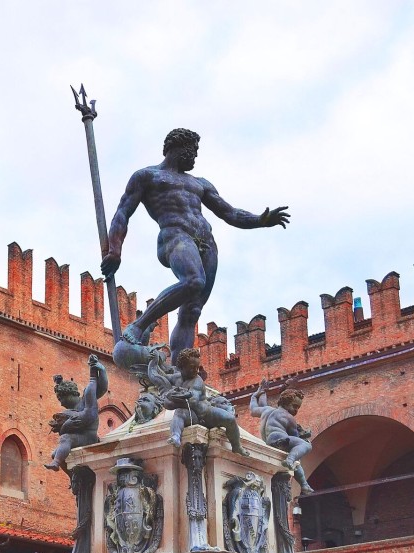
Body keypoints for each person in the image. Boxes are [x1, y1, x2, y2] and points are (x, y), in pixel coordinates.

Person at [101, 128, 290, 363]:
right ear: (178, 148)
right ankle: (140, 326)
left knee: (192, 311)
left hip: (207, 244)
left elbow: (229, 213)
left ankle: (180, 375)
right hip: (175, 236)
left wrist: (260, 221)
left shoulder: (200, 184)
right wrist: (115, 250)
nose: (195, 157)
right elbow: (122, 213)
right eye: (193, 151)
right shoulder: (147, 176)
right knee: (193, 280)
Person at [160, 347, 249, 456]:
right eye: (192, 367)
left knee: (230, 419)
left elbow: (192, 400)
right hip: (192, 415)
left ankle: (236, 446)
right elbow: (161, 378)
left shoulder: (197, 381)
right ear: (181, 367)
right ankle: (175, 436)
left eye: (198, 367)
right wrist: (154, 362)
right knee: (179, 413)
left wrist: (171, 399)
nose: (196, 371)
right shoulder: (176, 378)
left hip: (206, 413)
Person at [45, 355, 108, 472]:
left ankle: (56, 463)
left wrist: (101, 369)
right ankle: (74, 477)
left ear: (69, 394)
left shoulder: (86, 398)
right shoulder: (71, 410)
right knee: (55, 453)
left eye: (61, 399)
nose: (61, 404)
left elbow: (101, 388)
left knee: (65, 438)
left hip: (90, 437)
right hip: (81, 437)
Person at [250, 379, 314, 494]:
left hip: (270, 441)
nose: (296, 410)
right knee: (305, 446)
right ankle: (290, 461)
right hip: (281, 440)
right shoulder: (289, 418)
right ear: (285, 403)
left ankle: (304, 484)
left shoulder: (267, 410)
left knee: (296, 459)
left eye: (298, 408)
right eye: (295, 406)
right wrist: (303, 436)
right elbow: (296, 438)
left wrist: (257, 394)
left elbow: (253, 409)